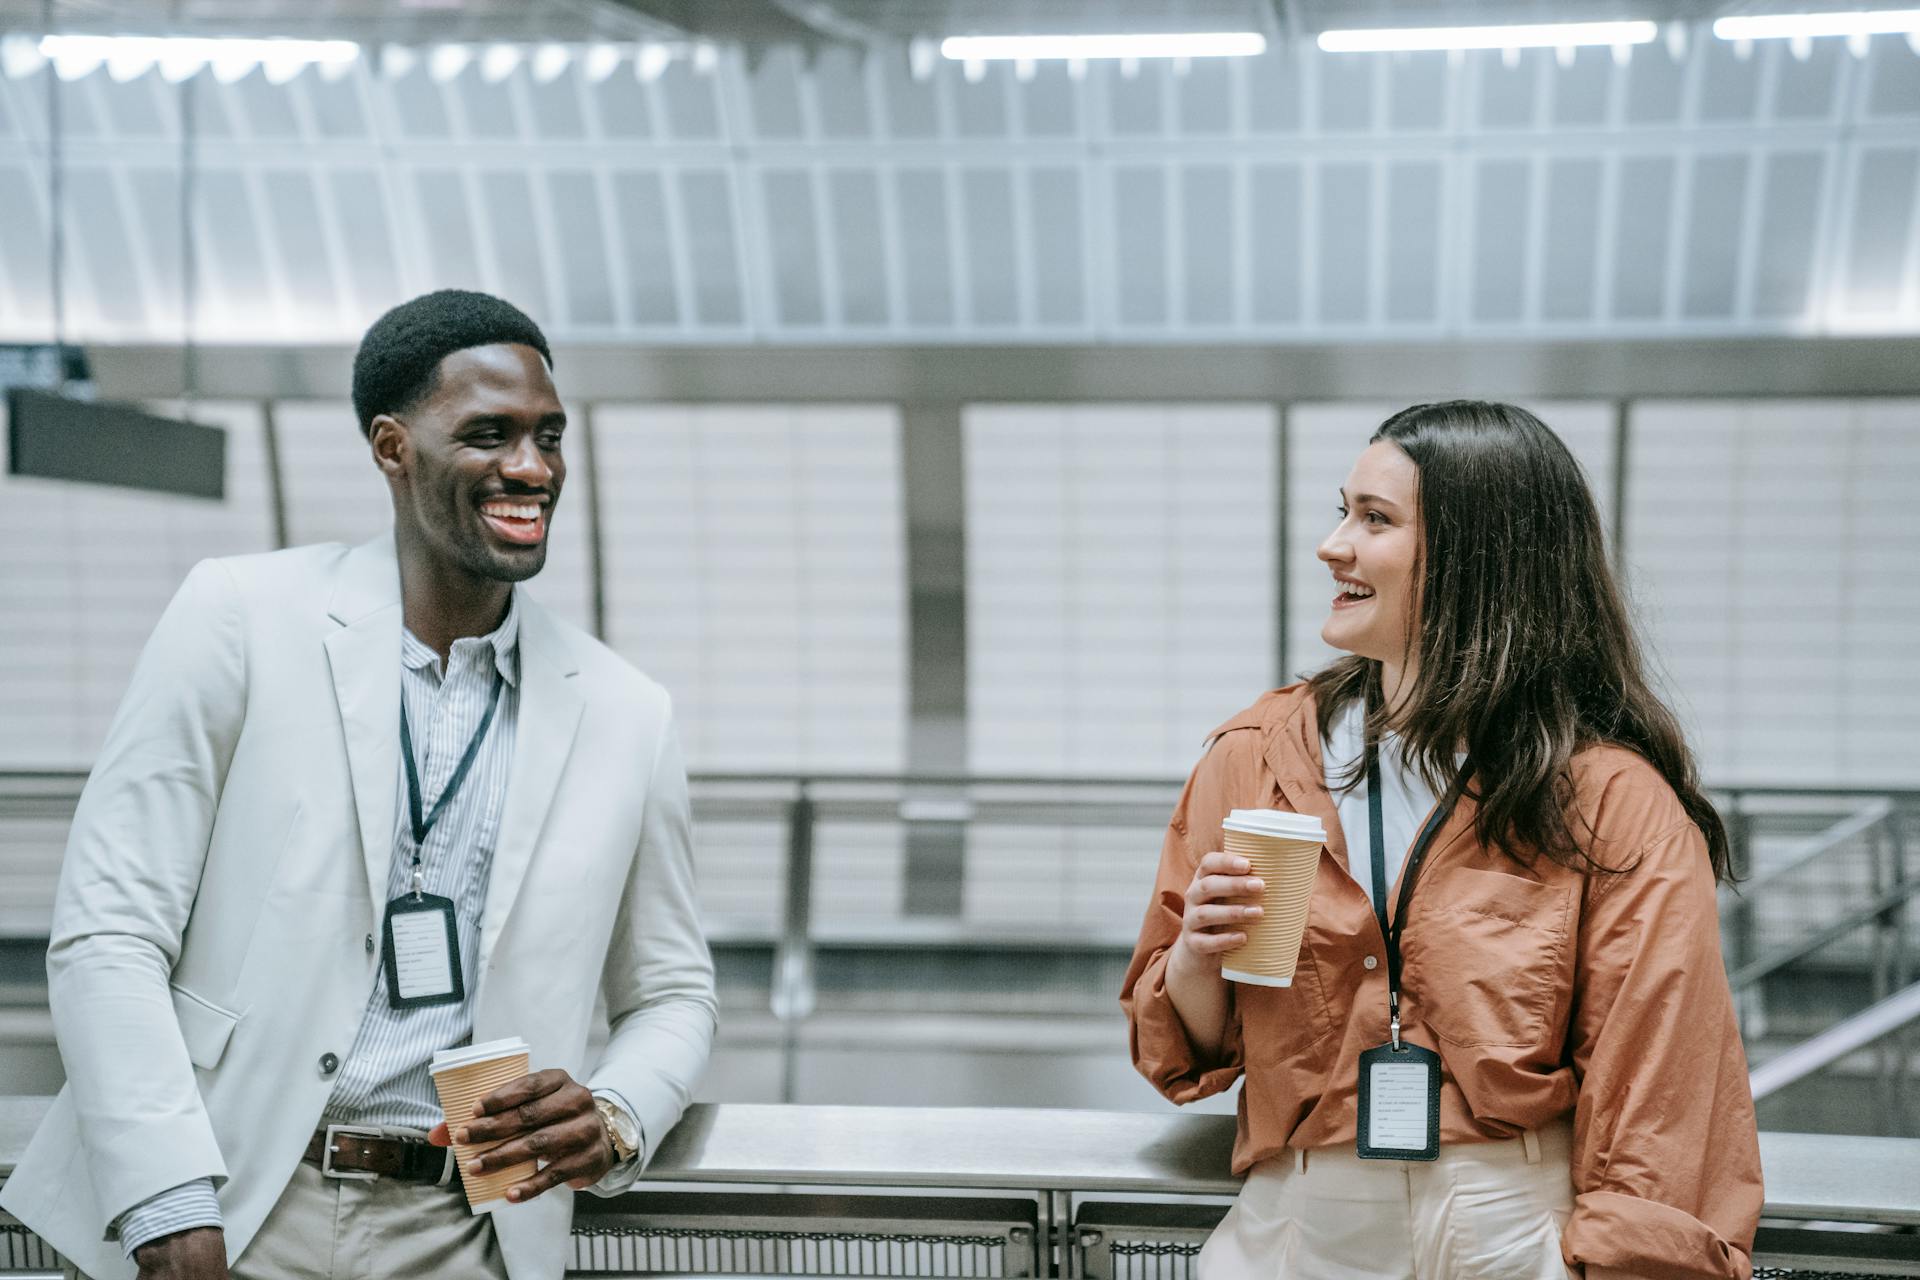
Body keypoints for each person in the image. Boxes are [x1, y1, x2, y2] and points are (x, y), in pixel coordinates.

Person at [0, 290, 717, 1280]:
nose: (534, 468)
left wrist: (619, 1110)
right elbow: (109, 929)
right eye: (490, 434)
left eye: (550, 436)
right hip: (237, 1199)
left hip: (471, 1231)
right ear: (393, 447)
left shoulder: (629, 712)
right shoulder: (240, 617)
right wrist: (168, 1205)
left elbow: (675, 990)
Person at [1122, 401, 1763, 1279]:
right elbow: (1179, 1050)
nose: (1333, 545)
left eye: (1374, 519)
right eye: (1341, 510)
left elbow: (1662, 1089)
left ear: (1479, 559)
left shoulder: (1610, 799)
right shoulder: (1257, 758)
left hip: (1509, 1227)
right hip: (1295, 1225)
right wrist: (1197, 956)